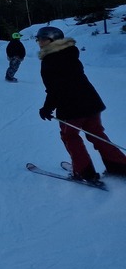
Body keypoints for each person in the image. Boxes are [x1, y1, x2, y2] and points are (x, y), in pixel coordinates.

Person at [36, 25, 126, 181]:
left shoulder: (50, 60)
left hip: (71, 107)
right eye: (38, 39)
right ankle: (119, 166)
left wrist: (47, 108)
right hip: (91, 102)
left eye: (42, 39)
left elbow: (55, 88)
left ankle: (84, 172)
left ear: (52, 40)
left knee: (70, 137)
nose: (39, 42)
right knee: (97, 134)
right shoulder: (70, 53)